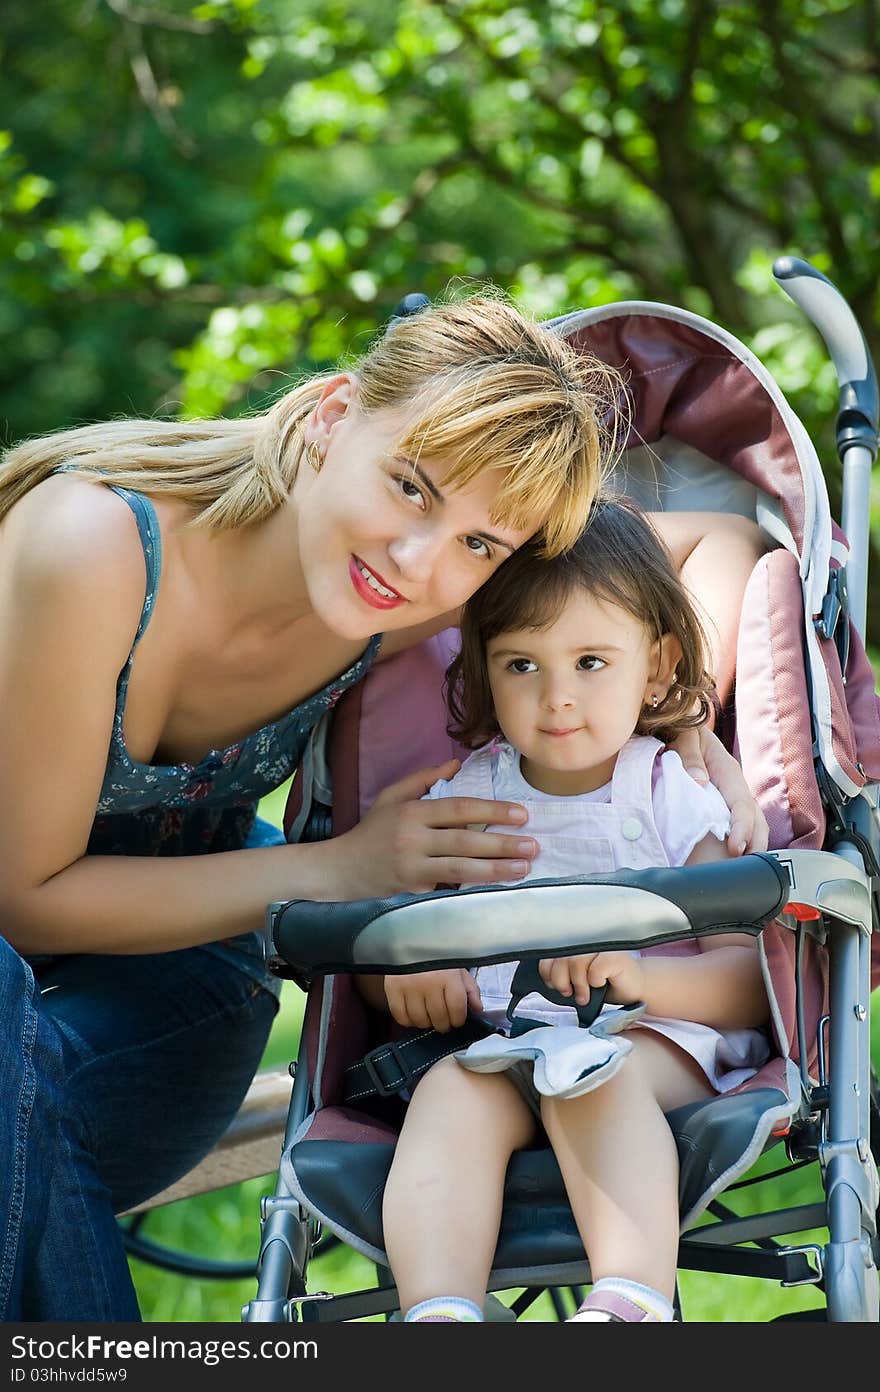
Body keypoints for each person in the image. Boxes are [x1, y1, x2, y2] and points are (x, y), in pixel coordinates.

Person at [0, 291, 767, 1321]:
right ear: (328, 417)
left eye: (481, 545)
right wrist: (337, 870)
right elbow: (24, 898)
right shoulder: (92, 546)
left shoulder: (417, 597)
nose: (420, 562)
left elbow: (718, 538)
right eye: (408, 486)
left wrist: (680, 722)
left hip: (173, 980)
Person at [372, 497, 771, 1324]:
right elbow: (406, 931)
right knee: (449, 1090)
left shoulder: (670, 792)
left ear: (656, 668)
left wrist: (642, 979)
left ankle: (629, 1299)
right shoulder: (470, 795)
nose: (556, 698)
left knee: (589, 1080)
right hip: (509, 1045)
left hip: (656, 1042)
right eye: (523, 665)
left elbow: (749, 977)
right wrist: (409, 972)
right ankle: (441, 1310)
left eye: (591, 662)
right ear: (484, 669)